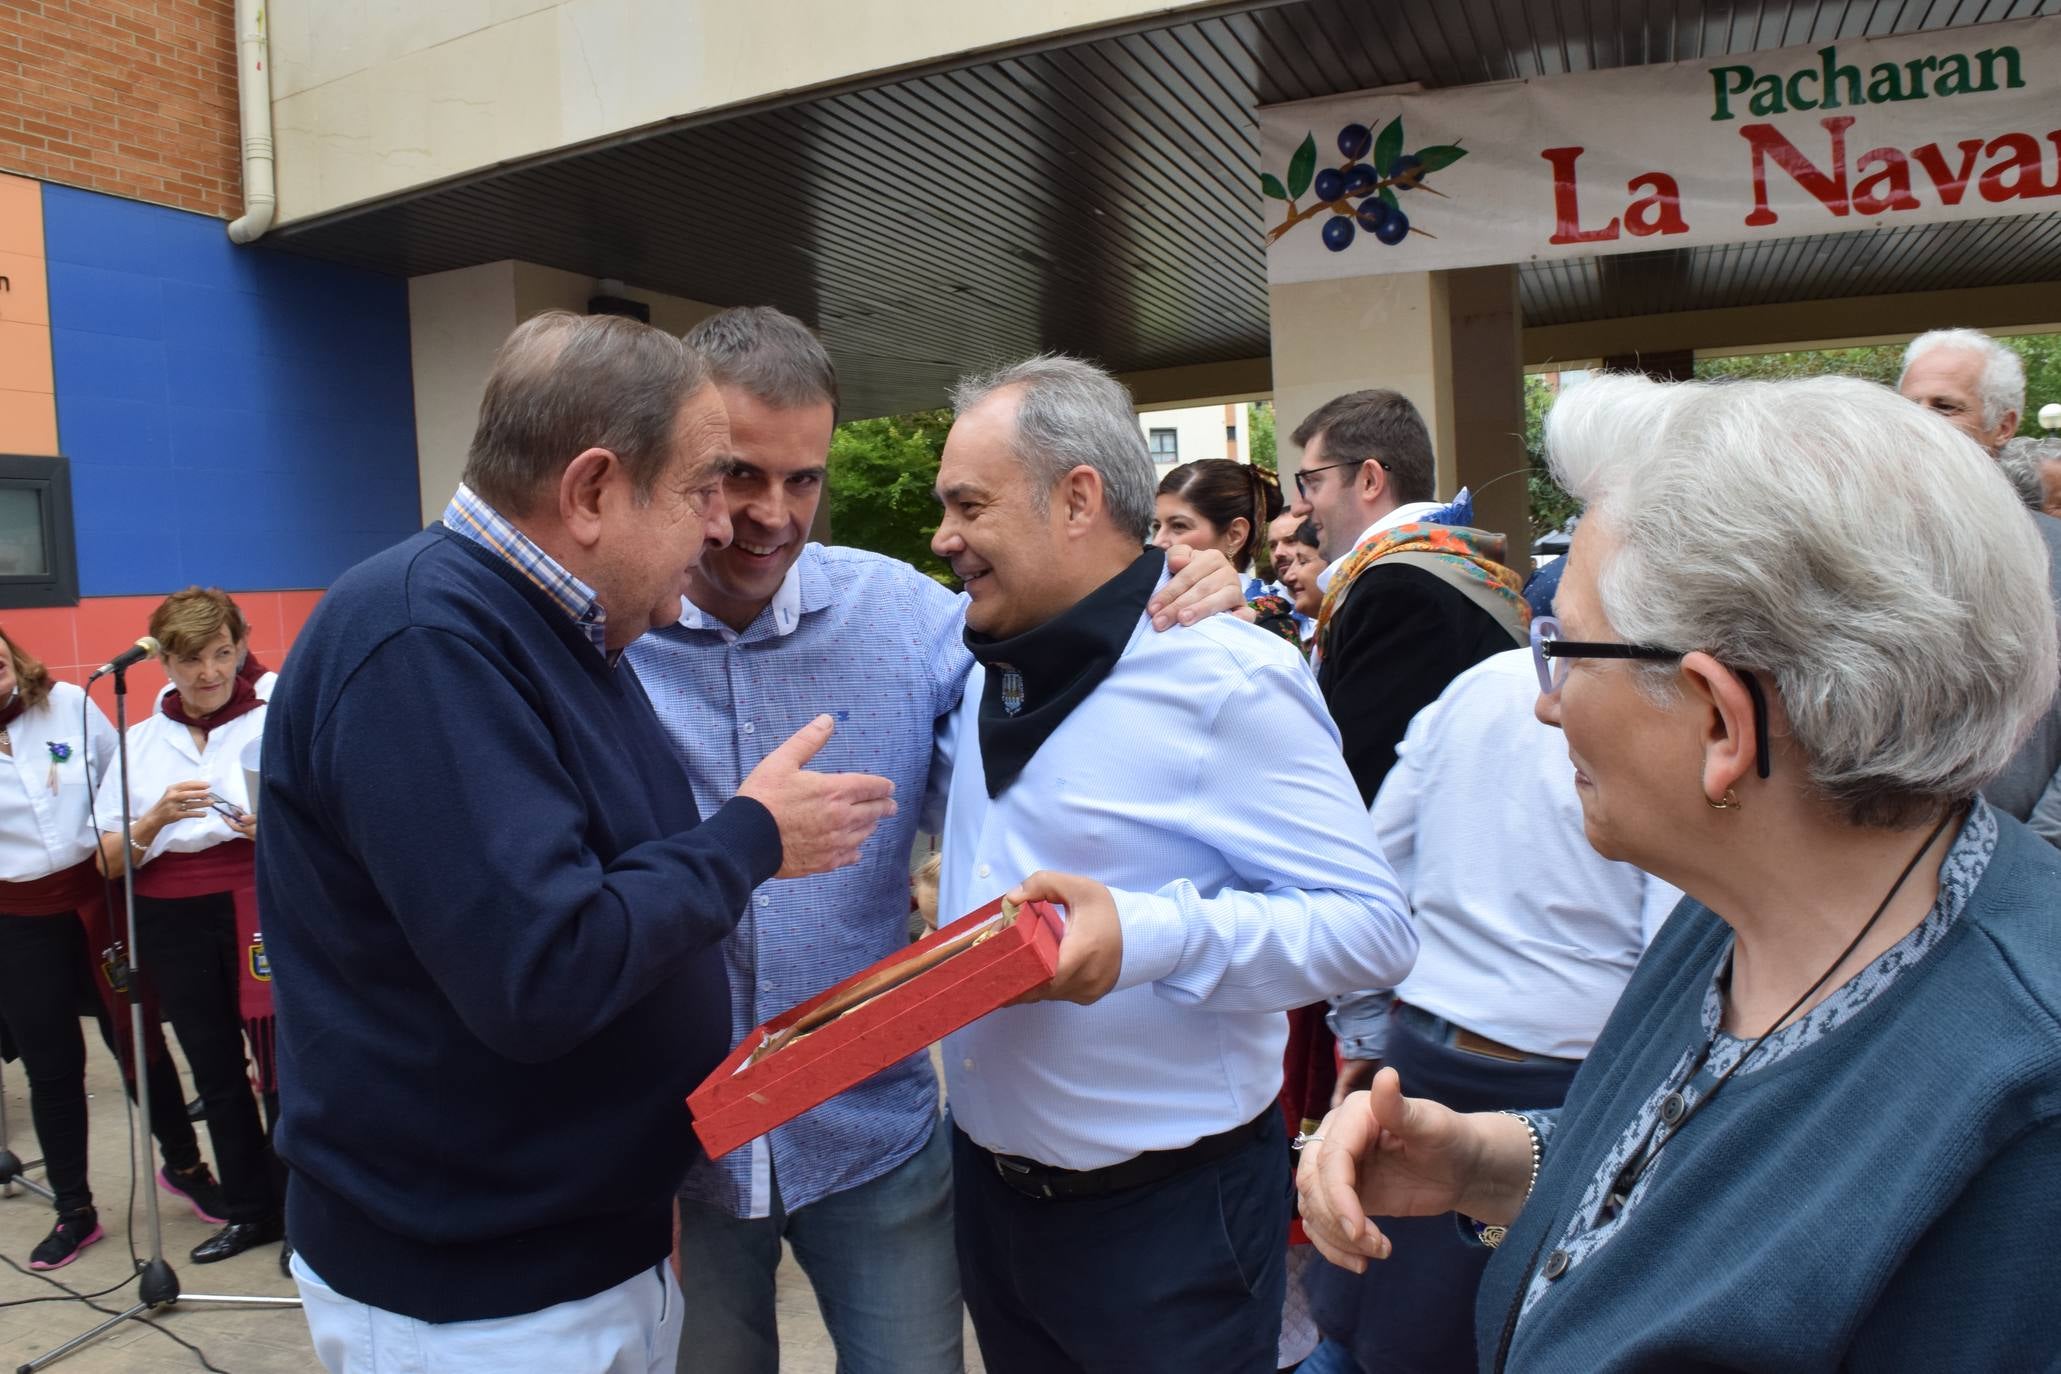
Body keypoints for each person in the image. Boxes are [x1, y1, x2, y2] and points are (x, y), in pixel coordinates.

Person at [1297, 373, 2061, 1372]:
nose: (1546, 704)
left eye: (1561, 650)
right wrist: (1493, 1161)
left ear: (1719, 721)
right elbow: (1720, 1181)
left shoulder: (2021, 1117)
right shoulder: (1750, 909)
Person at [260, 311, 896, 1374]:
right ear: (594, 490)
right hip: (476, 1301)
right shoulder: (425, 642)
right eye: (703, 488)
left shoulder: (553, 630)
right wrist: (748, 838)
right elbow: (543, 966)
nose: (720, 527)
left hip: (568, 1260)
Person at [624, 306, 1246, 1374]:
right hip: (681, 1150)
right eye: (737, 476)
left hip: (874, 1140)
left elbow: (1058, 724)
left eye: (804, 480)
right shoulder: (614, 633)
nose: (774, 515)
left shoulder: (911, 621)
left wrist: (1169, 595)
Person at [929, 354, 1419, 1374]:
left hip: (1166, 1227)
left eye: (967, 506)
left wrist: (1150, 937)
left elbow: (1374, 928)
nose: (944, 538)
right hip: (991, 1200)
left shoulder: (1227, 679)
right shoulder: (971, 650)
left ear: (1076, 500)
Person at [1306, 648, 1681, 1374]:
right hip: (1559, 1069)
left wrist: (1359, 1024)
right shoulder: (1648, 703)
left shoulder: (1472, 683)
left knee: (1374, 1326)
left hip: (1449, 1047)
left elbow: (1381, 859)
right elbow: (1671, 944)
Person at [0, 629, 226, 1269]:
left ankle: (186, 1166)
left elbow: (116, 788)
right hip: (16, 917)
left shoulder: (69, 703)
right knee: (52, 1067)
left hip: (97, 898)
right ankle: (74, 1210)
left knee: (140, 1044)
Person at [93, 587, 282, 1265]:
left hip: (260, 899)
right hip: (172, 913)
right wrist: (153, 822)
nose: (208, 673)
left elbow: (339, 812)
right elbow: (108, 861)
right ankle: (251, 1210)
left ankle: (304, 1214)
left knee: (283, 1065)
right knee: (214, 1067)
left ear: (240, 647)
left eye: (221, 654)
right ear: (162, 662)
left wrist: (278, 827)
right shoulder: (140, 741)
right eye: (189, 659)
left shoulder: (275, 717)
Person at [1284, 390, 1526, 803]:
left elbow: (1362, 785)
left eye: (1312, 482)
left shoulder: (1399, 592)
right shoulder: (1425, 573)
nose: (1298, 506)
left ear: (1370, 479)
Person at [1895, 328, 2061, 846]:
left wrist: (2041, 851)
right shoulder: (1845, 545)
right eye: (1909, 404)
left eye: (1945, 406)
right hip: (1864, 862)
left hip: (2018, 861)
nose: (1920, 422)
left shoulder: (2053, 555)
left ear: (2003, 427)